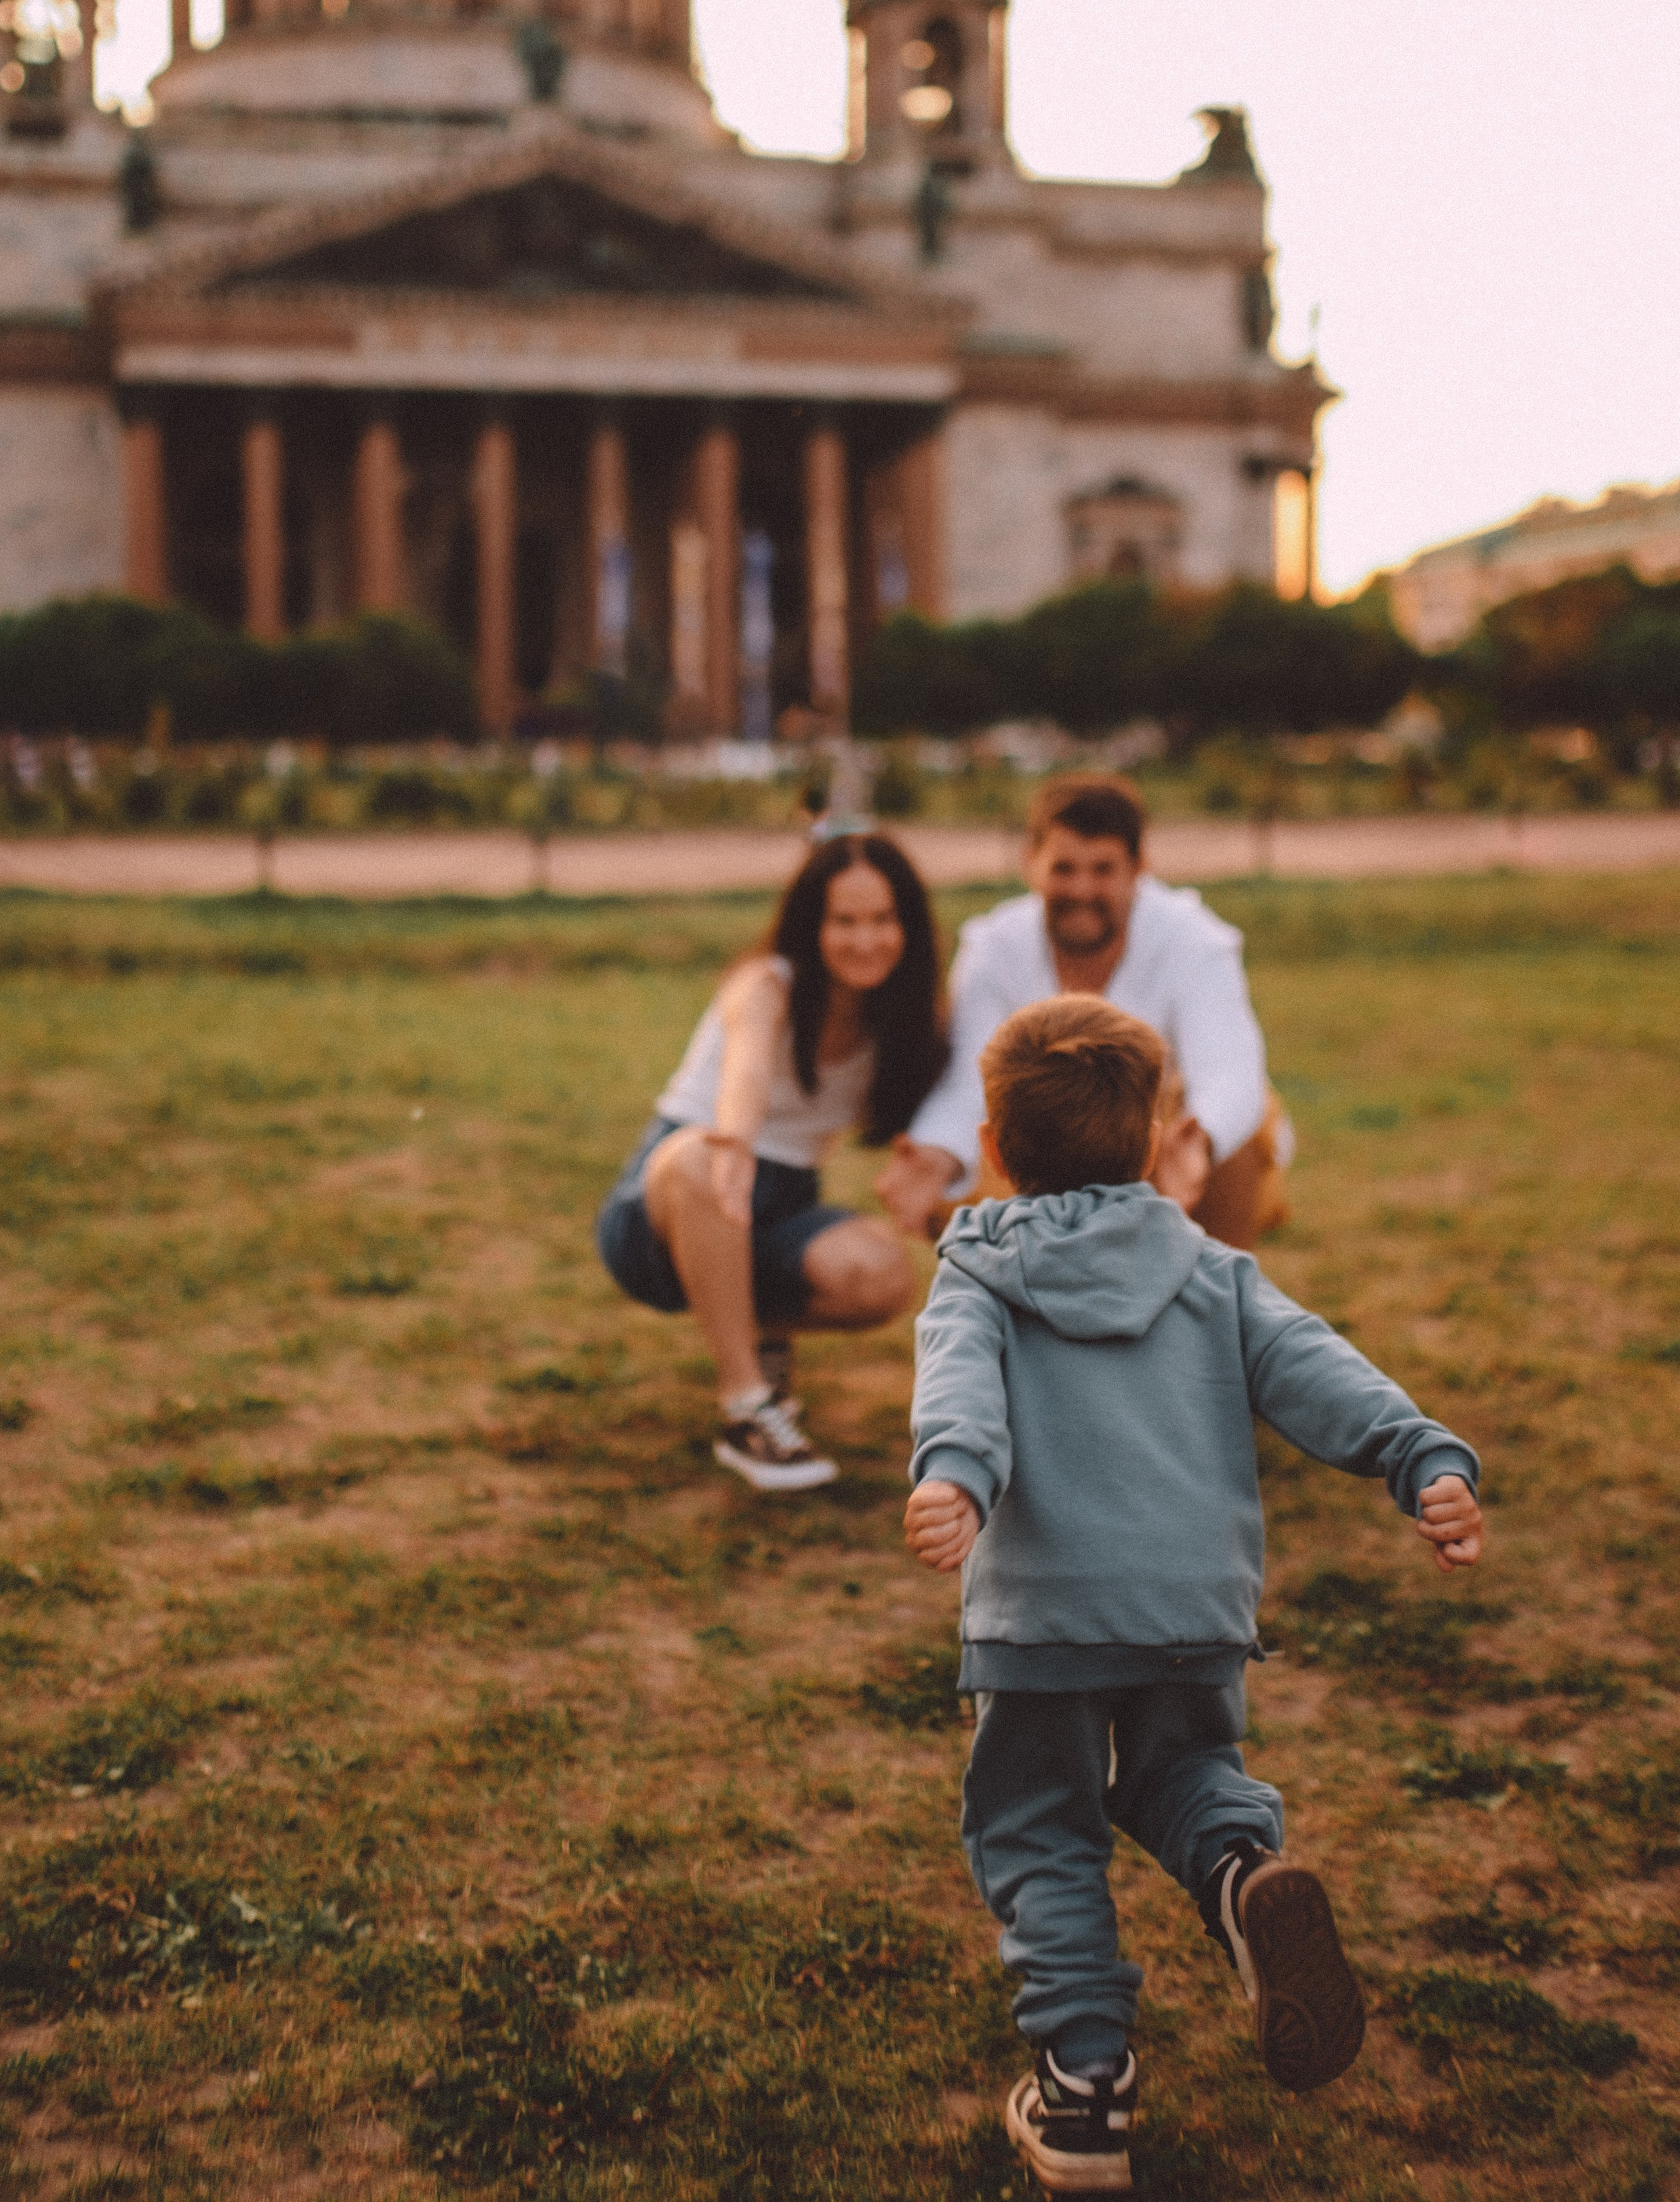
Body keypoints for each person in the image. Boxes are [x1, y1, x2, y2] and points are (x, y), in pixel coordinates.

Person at [904, 995, 1484, 2193]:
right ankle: (1234, 1874)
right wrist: (1419, 1454)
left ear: (997, 1146)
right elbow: (1318, 1366)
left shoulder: (979, 1265)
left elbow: (959, 1391)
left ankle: (1085, 2094)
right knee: (1183, 1771)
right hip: (1192, 1603)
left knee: (1039, 1827)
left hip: (1044, 1618)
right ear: (1161, 1138)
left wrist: (955, 1480)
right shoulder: (1212, 1269)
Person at [596, 833, 946, 1492]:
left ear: (908, 925)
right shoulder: (764, 984)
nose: (864, 939)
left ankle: (760, 1337)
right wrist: (734, 1139)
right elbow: (747, 1070)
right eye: (843, 920)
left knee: (881, 1274)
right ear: (811, 923)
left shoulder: (902, 1020)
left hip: (780, 1206)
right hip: (666, 1205)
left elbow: (944, 1120)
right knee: (705, 1160)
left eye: (881, 918)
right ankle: (746, 1406)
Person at [877, 772, 1284, 1251]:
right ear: (1031, 864)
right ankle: (1026, 1311)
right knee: (966, 1161)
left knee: (1239, 1131)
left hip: (1153, 1140)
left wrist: (1199, 1141)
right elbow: (969, 1076)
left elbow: (1229, 1071)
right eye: (1064, 868)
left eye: (1103, 870)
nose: (1082, 889)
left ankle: (1216, 1307)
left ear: (1139, 869)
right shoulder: (993, 945)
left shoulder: (1194, 938)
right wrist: (937, 1151)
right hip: (1041, 1146)